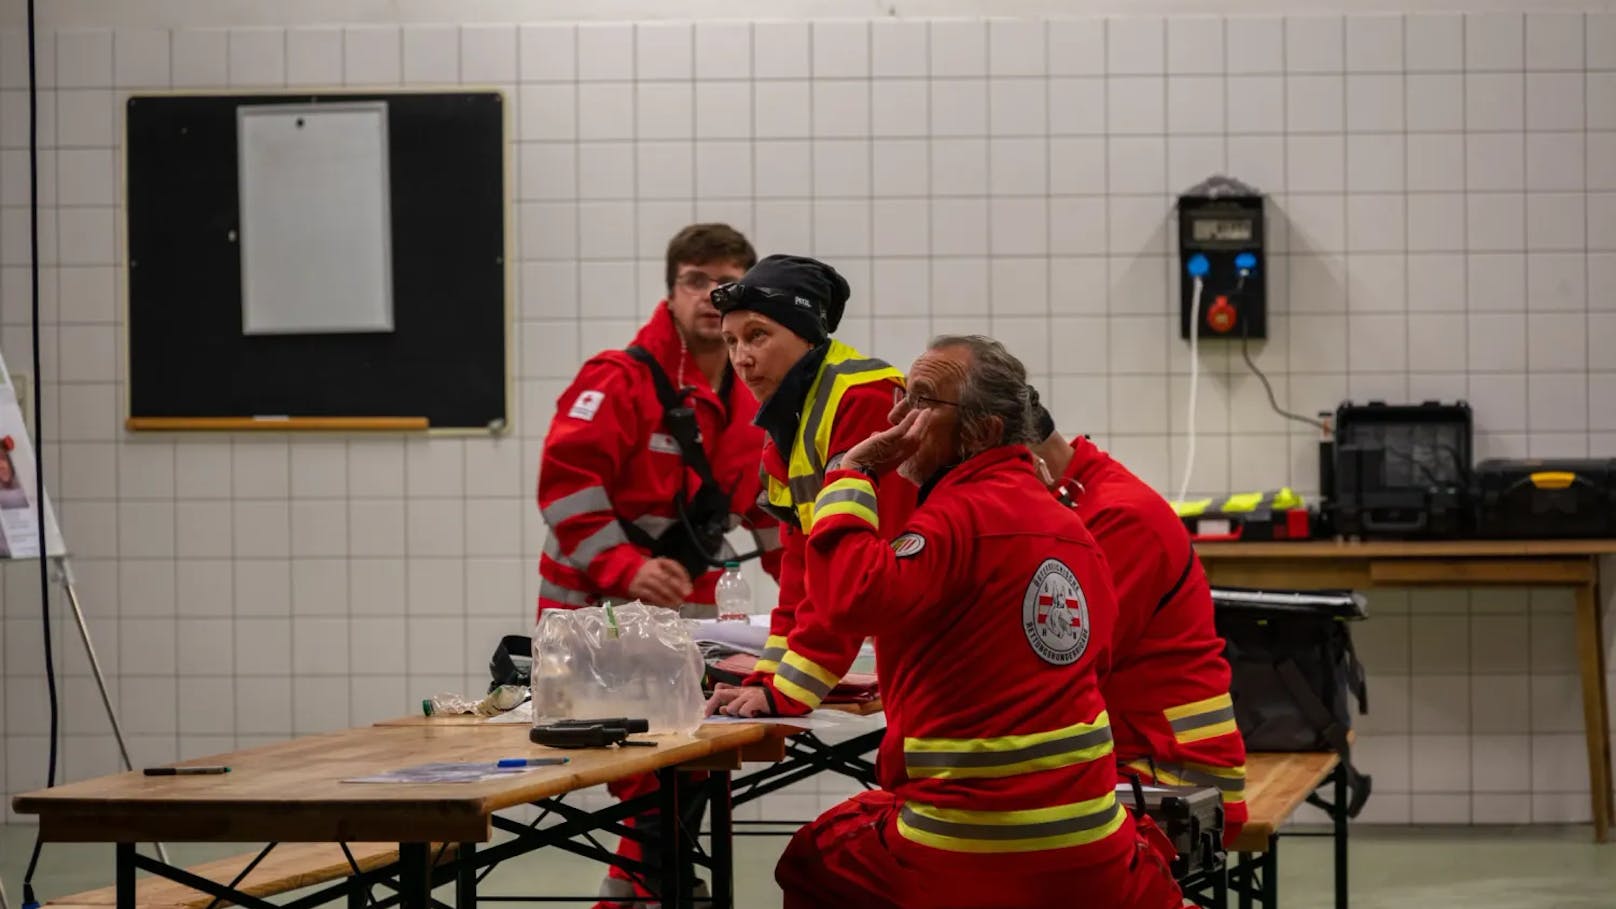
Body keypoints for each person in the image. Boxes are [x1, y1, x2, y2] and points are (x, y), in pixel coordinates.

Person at [771, 336, 1185, 909]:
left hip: (966, 847)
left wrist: (851, 471)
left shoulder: (954, 520)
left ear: (984, 431)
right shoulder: (1072, 527)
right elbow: (1098, 656)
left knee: (814, 859)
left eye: (919, 402)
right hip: (1096, 849)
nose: (895, 418)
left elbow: (850, 600)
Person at [534, 223, 782, 908]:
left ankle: (646, 890)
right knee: (655, 773)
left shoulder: (749, 394)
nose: (709, 295)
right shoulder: (618, 380)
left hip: (684, 620)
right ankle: (646, 893)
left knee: (694, 765)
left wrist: (819, 605)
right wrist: (623, 567)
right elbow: (564, 486)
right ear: (671, 291)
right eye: (695, 280)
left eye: (725, 283)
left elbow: (768, 507)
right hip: (592, 619)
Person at [1028, 394, 1248, 847]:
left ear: (1027, 458)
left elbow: (1066, 665)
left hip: (1177, 778)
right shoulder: (1077, 502)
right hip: (1140, 756)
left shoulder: (1115, 519)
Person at [703, 254, 914, 719]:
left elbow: (856, 575)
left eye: (758, 335)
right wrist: (766, 680)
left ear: (807, 333)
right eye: (731, 341)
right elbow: (802, 572)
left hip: (960, 625)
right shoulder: (790, 419)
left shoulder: (865, 396)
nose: (742, 358)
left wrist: (787, 694)